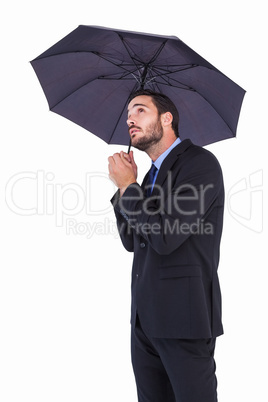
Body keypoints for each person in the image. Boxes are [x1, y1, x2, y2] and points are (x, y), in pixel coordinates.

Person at [108, 89, 224, 402]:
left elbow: (163, 237)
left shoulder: (200, 165)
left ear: (167, 118)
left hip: (183, 320)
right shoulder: (150, 176)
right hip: (144, 322)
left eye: (140, 110)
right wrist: (126, 190)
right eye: (129, 113)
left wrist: (127, 187)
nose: (130, 119)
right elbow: (131, 240)